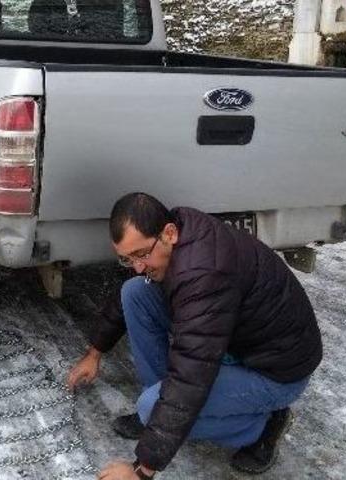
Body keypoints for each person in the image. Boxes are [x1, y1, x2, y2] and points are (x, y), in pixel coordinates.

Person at [67, 192, 323, 478]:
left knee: (158, 406)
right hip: (236, 342)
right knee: (135, 292)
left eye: (141, 254)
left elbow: (192, 375)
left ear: (169, 233)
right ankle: (157, 410)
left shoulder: (204, 277)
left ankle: (265, 425)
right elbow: (136, 286)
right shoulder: (175, 236)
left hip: (275, 373)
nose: (138, 265)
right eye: (127, 259)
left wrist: (141, 472)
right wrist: (94, 353)